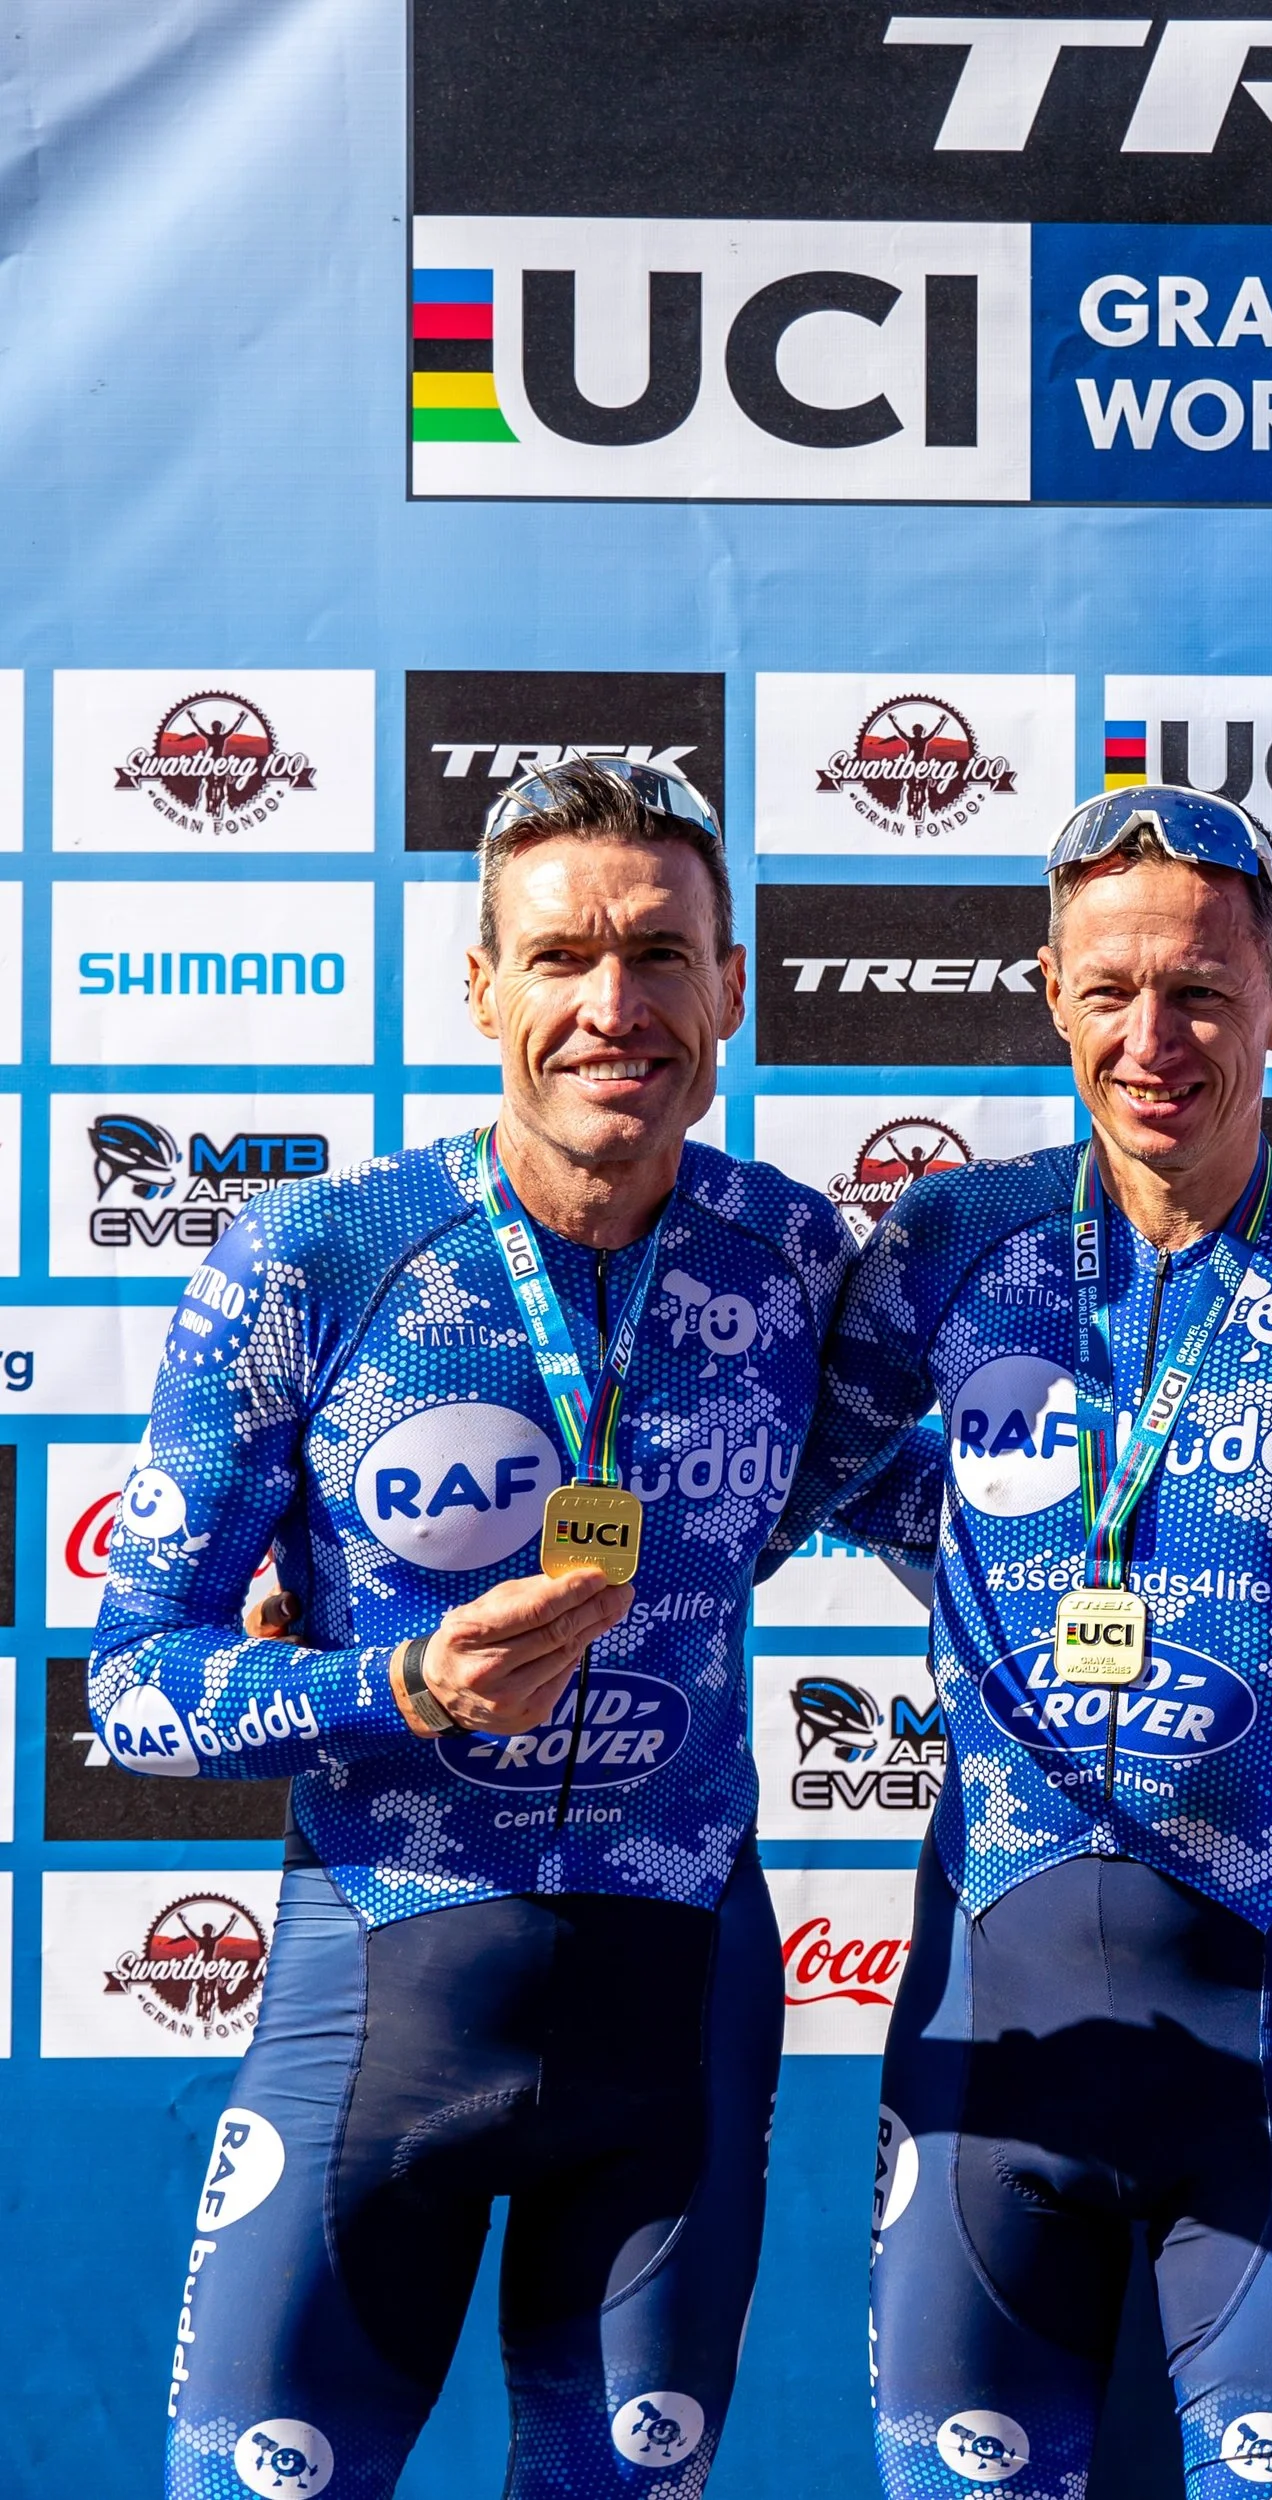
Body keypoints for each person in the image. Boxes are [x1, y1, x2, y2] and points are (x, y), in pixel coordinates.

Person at [91, 757, 925, 2500]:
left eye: (658, 956)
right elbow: (133, 1683)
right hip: (383, 1988)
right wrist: (393, 1682)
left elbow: (912, 1503)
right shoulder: (319, 1261)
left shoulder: (794, 1259)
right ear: (481, 987)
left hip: (678, 1994)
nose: (610, 1007)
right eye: (558, 959)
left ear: (731, 987)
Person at [821, 787, 1272, 2500]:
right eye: (1113, 989)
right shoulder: (948, 1246)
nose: (1156, 1040)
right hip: (996, 2010)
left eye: (1204, 991)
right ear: (1052, 993)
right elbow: (813, 1461)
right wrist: (986, 1559)